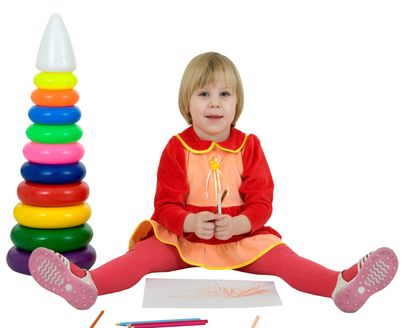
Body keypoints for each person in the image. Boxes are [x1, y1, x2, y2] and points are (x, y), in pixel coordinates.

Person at [28, 52, 398, 312]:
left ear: (237, 103)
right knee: (140, 258)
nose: (214, 103)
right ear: (187, 103)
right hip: (183, 238)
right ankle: (86, 284)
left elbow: (262, 201)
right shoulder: (177, 147)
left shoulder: (250, 146)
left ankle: (342, 284)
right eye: (203, 93)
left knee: (287, 261)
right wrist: (188, 222)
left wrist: (242, 223)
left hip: (243, 238)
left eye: (224, 93)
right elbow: (165, 205)